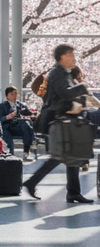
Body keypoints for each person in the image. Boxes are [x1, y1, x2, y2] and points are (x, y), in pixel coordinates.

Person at [23, 44, 93, 203]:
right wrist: (82, 88)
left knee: (70, 156)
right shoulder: (57, 73)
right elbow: (65, 94)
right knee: (60, 156)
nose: (74, 59)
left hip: (64, 120)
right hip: (60, 121)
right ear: (63, 56)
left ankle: (73, 192)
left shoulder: (63, 73)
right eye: (71, 55)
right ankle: (32, 182)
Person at [0, 85, 35, 160]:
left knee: (26, 126)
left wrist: (32, 114)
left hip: (17, 126)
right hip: (7, 126)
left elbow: (28, 113)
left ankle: (26, 151)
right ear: (7, 96)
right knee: (8, 134)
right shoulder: (2, 106)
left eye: (16, 93)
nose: (15, 96)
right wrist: (7, 117)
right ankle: (10, 155)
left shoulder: (20, 105)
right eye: (12, 94)